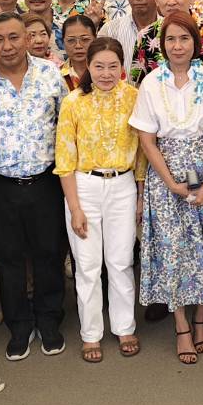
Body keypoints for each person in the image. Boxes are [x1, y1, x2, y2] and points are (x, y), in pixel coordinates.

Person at [132, 14, 203, 365]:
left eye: (185, 39)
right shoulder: (151, 83)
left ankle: (201, 319)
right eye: (171, 40)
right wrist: (170, 183)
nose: (178, 46)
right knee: (173, 249)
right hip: (166, 172)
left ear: (196, 43)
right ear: (163, 45)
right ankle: (180, 325)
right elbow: (147, 140)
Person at [0, 13, 69, 361]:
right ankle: (19, 325)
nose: (7, 46)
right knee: (7, 258)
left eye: (14, 37)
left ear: (27, 38)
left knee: (49, 253)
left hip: (46, 181)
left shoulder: (50, 74)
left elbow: (65, 127)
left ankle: (49, 319)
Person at [54, 37, 142, 363]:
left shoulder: (134, 97)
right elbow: (64, 158)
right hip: (84, 186)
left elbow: (143, 151)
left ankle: (125, 326)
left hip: (123, 185)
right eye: (99, 66)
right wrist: (75, 207)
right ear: (87, 67)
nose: (106, 73)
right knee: (88, 265)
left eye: (112, 66)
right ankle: (91, 333)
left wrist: (140, 196)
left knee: (121, 261)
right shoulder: (73, 102)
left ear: (122, 67)